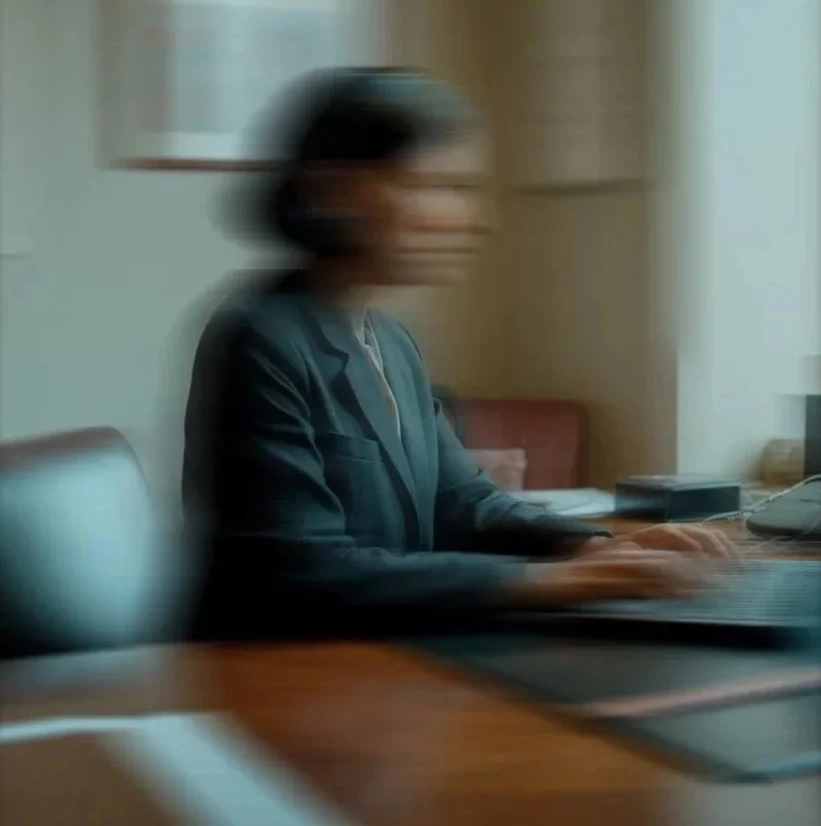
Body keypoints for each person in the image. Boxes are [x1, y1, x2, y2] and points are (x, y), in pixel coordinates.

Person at [182, 68, 734, 639]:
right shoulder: (260, 335)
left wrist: (597, 546)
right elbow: (302, 574)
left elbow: (463, 502)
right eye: (437, 186)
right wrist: (569, 582)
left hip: (386, 662)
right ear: (335, 190)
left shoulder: (392, 339)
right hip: (274, 676)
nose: (471, 219)